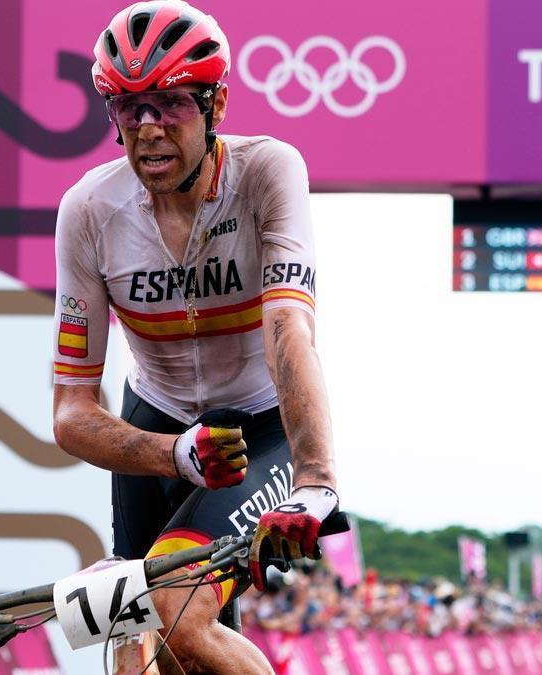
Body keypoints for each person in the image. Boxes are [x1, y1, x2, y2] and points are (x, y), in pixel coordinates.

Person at [50, 1, 337, 670]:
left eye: (171, 103)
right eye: (128, 108)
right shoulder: (89, 210)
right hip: (159, 427)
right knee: (128, 630)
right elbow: (71, 411)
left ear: (218, 104)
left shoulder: (268, 171)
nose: (148, 128)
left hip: (257, 428)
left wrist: (315, 482)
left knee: (175, 606)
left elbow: (289, 328)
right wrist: (175, 452)